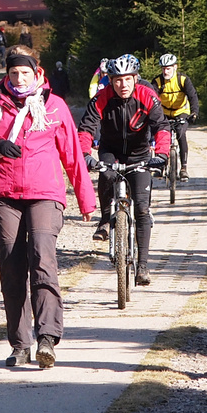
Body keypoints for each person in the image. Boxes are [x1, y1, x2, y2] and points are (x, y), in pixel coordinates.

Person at [0, 47, 96, 369]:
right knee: (12, 266)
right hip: (4, 193)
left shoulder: (54, 107)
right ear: (7, 75)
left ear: (37, 73)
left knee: (42, 255)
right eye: (13, 73)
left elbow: (72, 156)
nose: (19, 79)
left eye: (25, 73)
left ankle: (47, 338)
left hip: (44, 192)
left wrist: (86, 199)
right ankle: (20, 344)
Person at [79, 55, 170, 285]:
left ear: (135, 78)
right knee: (106, 175)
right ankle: (105, 219)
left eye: (128, 79)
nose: (123, 85)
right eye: (117, 80)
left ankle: (142, 267)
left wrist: (161, 154)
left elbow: (161, 126)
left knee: (141, 208)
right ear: (110, 80)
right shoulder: (102, 97)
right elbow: (86, 128)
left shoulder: (146, 95)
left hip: (140, 155)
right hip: (111, 151)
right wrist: (85, 155)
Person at [152, 54, 199, 181]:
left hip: (181, 111)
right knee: (160, 135)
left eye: (168, 68)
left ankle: (183, 168)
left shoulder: (183, 80)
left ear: (175, 67)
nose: (165, 71)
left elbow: (192, 96)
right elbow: (151, 98)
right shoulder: (157, 81)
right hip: (164, 112)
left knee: (181, 134)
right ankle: (159, 165)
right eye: (163, 69)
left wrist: (194, 112)